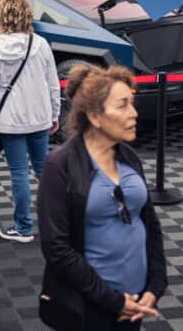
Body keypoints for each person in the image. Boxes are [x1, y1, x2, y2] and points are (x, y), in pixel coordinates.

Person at [36, 65, 167, 330]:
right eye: (122, 106)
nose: (134, 113)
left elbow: (149, 224)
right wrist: (113, 301)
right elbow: (57, 249)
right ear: (94, 116)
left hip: (135, 303)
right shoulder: (60, 164)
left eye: (132, 103)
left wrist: (155, 284)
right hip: (88, 309)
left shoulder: (129, 158)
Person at [0, 0, 60, 243]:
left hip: (9, 121)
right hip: (40, 117)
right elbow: (53, 84)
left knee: (19, 173)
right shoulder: (41, 44)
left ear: (1, 16)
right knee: (44, 170)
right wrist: (55, 114)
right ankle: (56, 223)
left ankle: (23, 228)